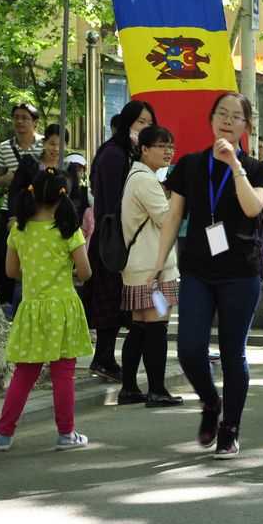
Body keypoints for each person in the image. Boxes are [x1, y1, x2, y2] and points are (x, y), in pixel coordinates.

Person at [150, 92, 263, 458]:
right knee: (189, 349)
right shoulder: (190, 165)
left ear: (246, 127)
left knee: (233, 353)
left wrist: (234, 165)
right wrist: (159, 264)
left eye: (236, 116)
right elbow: (173, 216)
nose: (227, 120)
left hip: (241, 271)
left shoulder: (256, 168)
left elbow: (253, 207)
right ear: (211, 119)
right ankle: (210, 402)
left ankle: (230, 429)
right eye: (222, 113)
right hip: (198, 270)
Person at [0, 167, 94, 452]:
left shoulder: (19, 231)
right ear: (63, 196)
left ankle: (4, 434)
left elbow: (11, 271)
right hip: (63, 308)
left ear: (33, 193)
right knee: (64, 374)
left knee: (24, 374)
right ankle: (66, 434)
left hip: (31, 308)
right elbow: (85, 272)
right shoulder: (68, 231)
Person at [87, 100, 155, 383]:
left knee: (124, 305)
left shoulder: (129, 155)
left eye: (150, 123)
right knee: (114, 303)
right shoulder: (115, 155)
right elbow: (118, 203)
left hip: (125, 243)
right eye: (140, 122)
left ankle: (109, 359)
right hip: (113, 244)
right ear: (127, 123)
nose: (145, 128)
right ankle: (105, 359)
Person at [118, 125, 182, 407]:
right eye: (161, 145)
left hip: (139, 266)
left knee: (140, 328)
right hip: (154, 270)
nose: (168, 151)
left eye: (170, 145)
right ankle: (157, 389)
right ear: (144, 149)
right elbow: (167, 218)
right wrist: (178, 197)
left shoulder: (137, 176)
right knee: (157, 327)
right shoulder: (145, 180)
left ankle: (130, 388)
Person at [0, 103, 44, 305]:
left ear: (35, 122)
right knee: (6, 254)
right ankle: (6, 301)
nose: (20, 121)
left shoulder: (44, 145)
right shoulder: (5, 148)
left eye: (25, 117)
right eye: (16, 117)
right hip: (11, 209)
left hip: (38, 210)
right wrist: (10, 178)